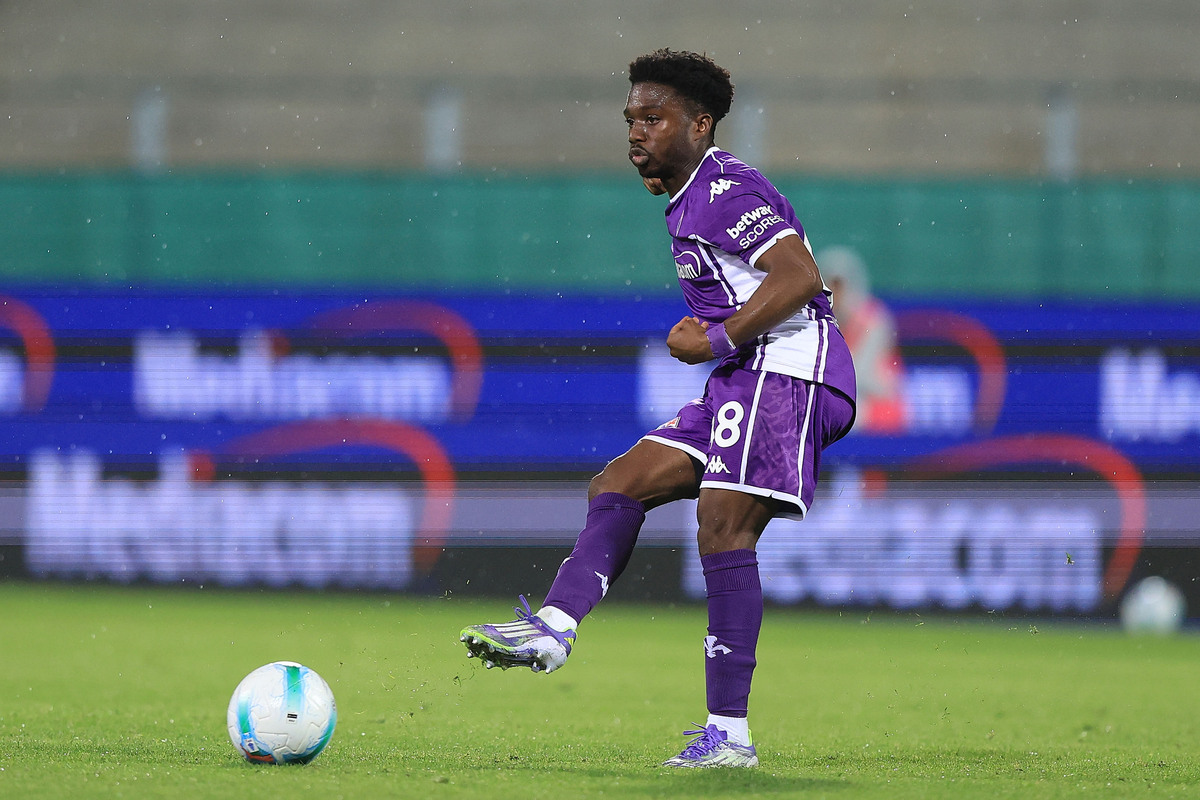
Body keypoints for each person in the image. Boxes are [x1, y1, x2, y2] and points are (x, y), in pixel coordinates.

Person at [459, 48, 857, 769]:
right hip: (746, 374)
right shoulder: (687, 197)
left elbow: (800, 274)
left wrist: (716, 337)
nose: (636, 132)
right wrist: (723, 346)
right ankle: (553, 627)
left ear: (700, 124)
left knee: (723, 525)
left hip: (790, 368)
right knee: (620, 483)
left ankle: (729, 737)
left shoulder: (726, 189)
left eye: (653, 118)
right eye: (631, 119)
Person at [816, 246, 906, 433]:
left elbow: (855, 377)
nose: (834, 292)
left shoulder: (874, 320)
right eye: (829, 285)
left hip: (879, 406)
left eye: (839, 285)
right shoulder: (817, 320)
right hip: (840, 403)